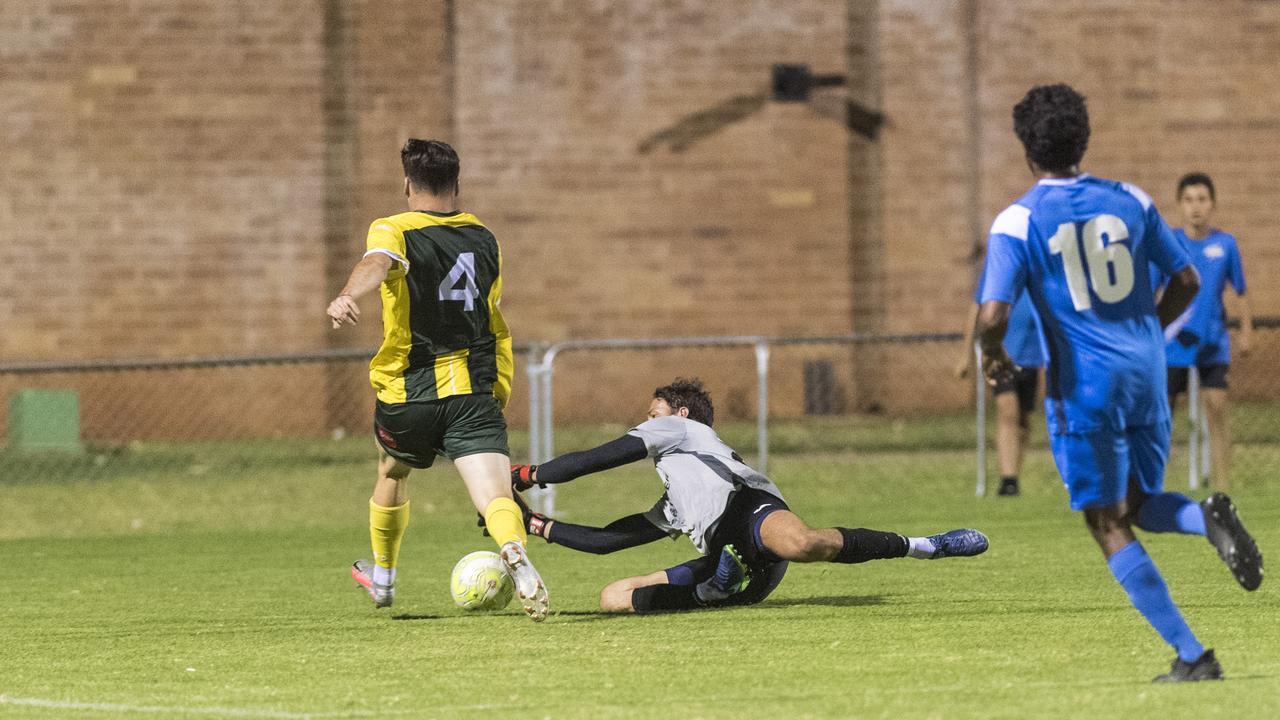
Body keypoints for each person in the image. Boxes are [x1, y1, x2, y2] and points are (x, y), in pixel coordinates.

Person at [975, 84, 1263, 682]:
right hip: (1147, 374)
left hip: (1085, 384)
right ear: (1085, 139)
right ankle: (1204, 519)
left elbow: (993, 315)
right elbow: (1185, 280)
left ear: (1028, 150)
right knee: (1133, 501)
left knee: (1105, 520)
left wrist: (991, 354)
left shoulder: (1019, 218)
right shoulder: (1130, 198)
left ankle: (1192, 656)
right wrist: (1146, 333)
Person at [504, 378, 989, 614]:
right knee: (613, 598)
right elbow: (610, 541)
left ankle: (927, 544)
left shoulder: (682, 431)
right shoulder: (675, 502)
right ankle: (709, 591)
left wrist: (529, 473)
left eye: (654, 412)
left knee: (801, 545)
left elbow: (598, 457)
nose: (647, 422)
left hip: (751, 515)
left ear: (682, 414)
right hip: (730, 569)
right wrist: (535, 525)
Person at [326, 138, 549, 621]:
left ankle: (382, 578)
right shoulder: (485, 238)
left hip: (411, 392)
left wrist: (348, 294)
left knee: (392, 470)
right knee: (494, 496)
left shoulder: (395, 228)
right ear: (457, 183)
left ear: (407, 184)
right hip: (473, 390)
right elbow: (490, 315)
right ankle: (514, 552)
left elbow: (377, 262)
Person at [1159, 172, 1253, 490]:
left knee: (1216, 409)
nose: (1195, 207)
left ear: (1212, 204)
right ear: (1179, 205)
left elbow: (1241, 291)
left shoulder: (1225, 244)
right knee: (1163, 414)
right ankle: (1154, 484)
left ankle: (1222, 486)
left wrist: (1245, 331)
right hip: (1172, 343)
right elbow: (1152, 289)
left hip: (1212, 342)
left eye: (1201, 199)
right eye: (1188, 200)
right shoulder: (1170, 243)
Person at [956, 281, 1046, 496]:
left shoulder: (1038, 264)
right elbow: (976, 309)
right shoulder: (999, 265)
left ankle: (1014, 474)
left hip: (1032, 356)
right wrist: (965, 356)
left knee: (1023, 420)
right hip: (1000, 355)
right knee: (1008, 410)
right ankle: (1008, 480)